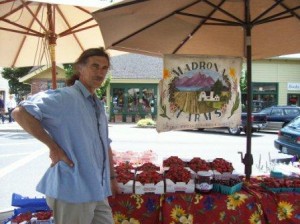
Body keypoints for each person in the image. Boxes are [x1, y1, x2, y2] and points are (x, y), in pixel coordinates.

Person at [12, 47, 119, 224]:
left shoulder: (97, 105)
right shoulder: (65, 98)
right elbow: (20, 112)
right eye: (95, 66)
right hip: (73, 189)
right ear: (80, 68)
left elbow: (104, 144)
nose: (100, 72)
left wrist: (112, 178)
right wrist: (53, 147)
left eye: (104, 68)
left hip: (97, 188)